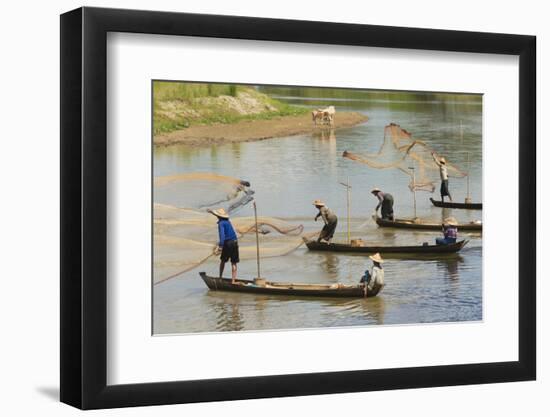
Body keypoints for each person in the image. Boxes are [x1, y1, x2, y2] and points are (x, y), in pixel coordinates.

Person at [209, 208, 239, 283]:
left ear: (218, 216)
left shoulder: (221, 224)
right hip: (235, 242)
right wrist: (211, 211)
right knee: (234, 262)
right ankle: (233, 281)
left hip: (228, 243)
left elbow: (222, 236)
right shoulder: (228, 222)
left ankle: (220, 278)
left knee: (223, 261)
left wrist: (220, 247)